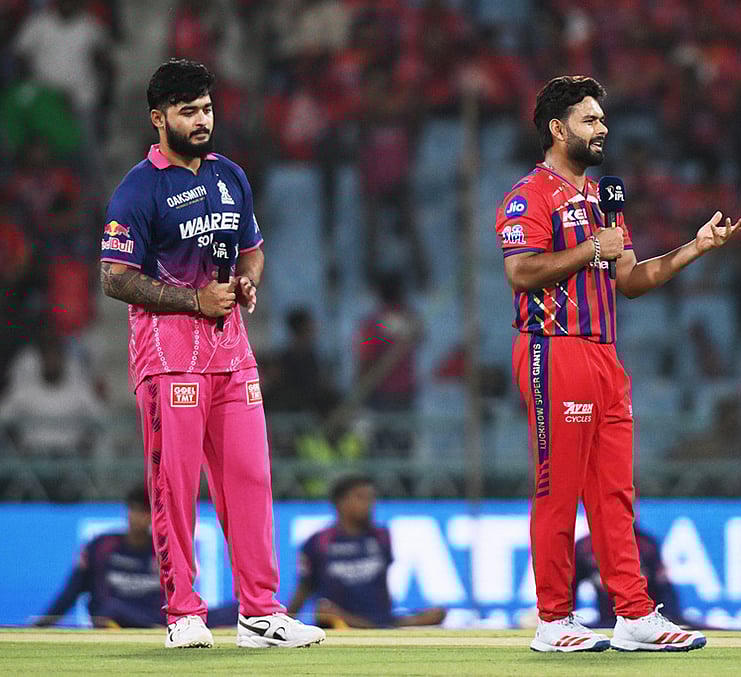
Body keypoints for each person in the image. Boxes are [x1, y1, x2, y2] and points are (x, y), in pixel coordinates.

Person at [496, 75, 741, 653]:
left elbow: (631, 279)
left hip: (607, 356)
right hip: (554, 348)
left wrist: (695, 247)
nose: (602, 128)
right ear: (559, 129)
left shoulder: (601, 200)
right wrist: (591, 250)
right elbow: (520, 273)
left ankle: (633, 613)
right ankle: (553, 620)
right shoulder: (528, 196)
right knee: (558, 490)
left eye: (603, 119)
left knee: (615, 492)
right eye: (590, 120)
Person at [98, 58, 324, 650]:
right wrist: (192, 299)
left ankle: (260, 612)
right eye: (187, 111)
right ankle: (184, 614)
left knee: (251, 481)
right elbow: (114, 277)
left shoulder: (231, 176)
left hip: (233, 356)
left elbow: (251, 249)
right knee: (174, 489)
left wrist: (247, 282)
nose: (202, 121)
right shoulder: (138, 188)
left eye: (206, 109)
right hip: (168, 357)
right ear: (158, 118)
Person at [33, 487, 240, 628]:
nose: (138, 517)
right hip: (115, 614)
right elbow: (71, 592)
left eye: (145, 511)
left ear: (155, 515)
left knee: (237, 610)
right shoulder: (101, 546)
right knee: (110, 609)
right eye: (135, 509)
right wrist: (39, 626)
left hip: (159, 617)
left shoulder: (166, 549)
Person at [287, 474, 446, 629]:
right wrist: (287, 622)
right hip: (338, 623)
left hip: (381, 618)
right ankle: (380, 627)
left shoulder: (381, 537)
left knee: (437, 613)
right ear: (341, 502)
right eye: (361, 497)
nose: (369, 503)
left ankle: (382, 626)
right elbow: (305, 587)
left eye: (371, 498)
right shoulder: (319, 541)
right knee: (326, 611)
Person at [572, 523, 685, 629]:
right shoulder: (585, 547)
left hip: (646, 617)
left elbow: (663, 584)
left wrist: (670, 617)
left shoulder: (646, 544)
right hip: (607, 620)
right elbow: (572, 584)